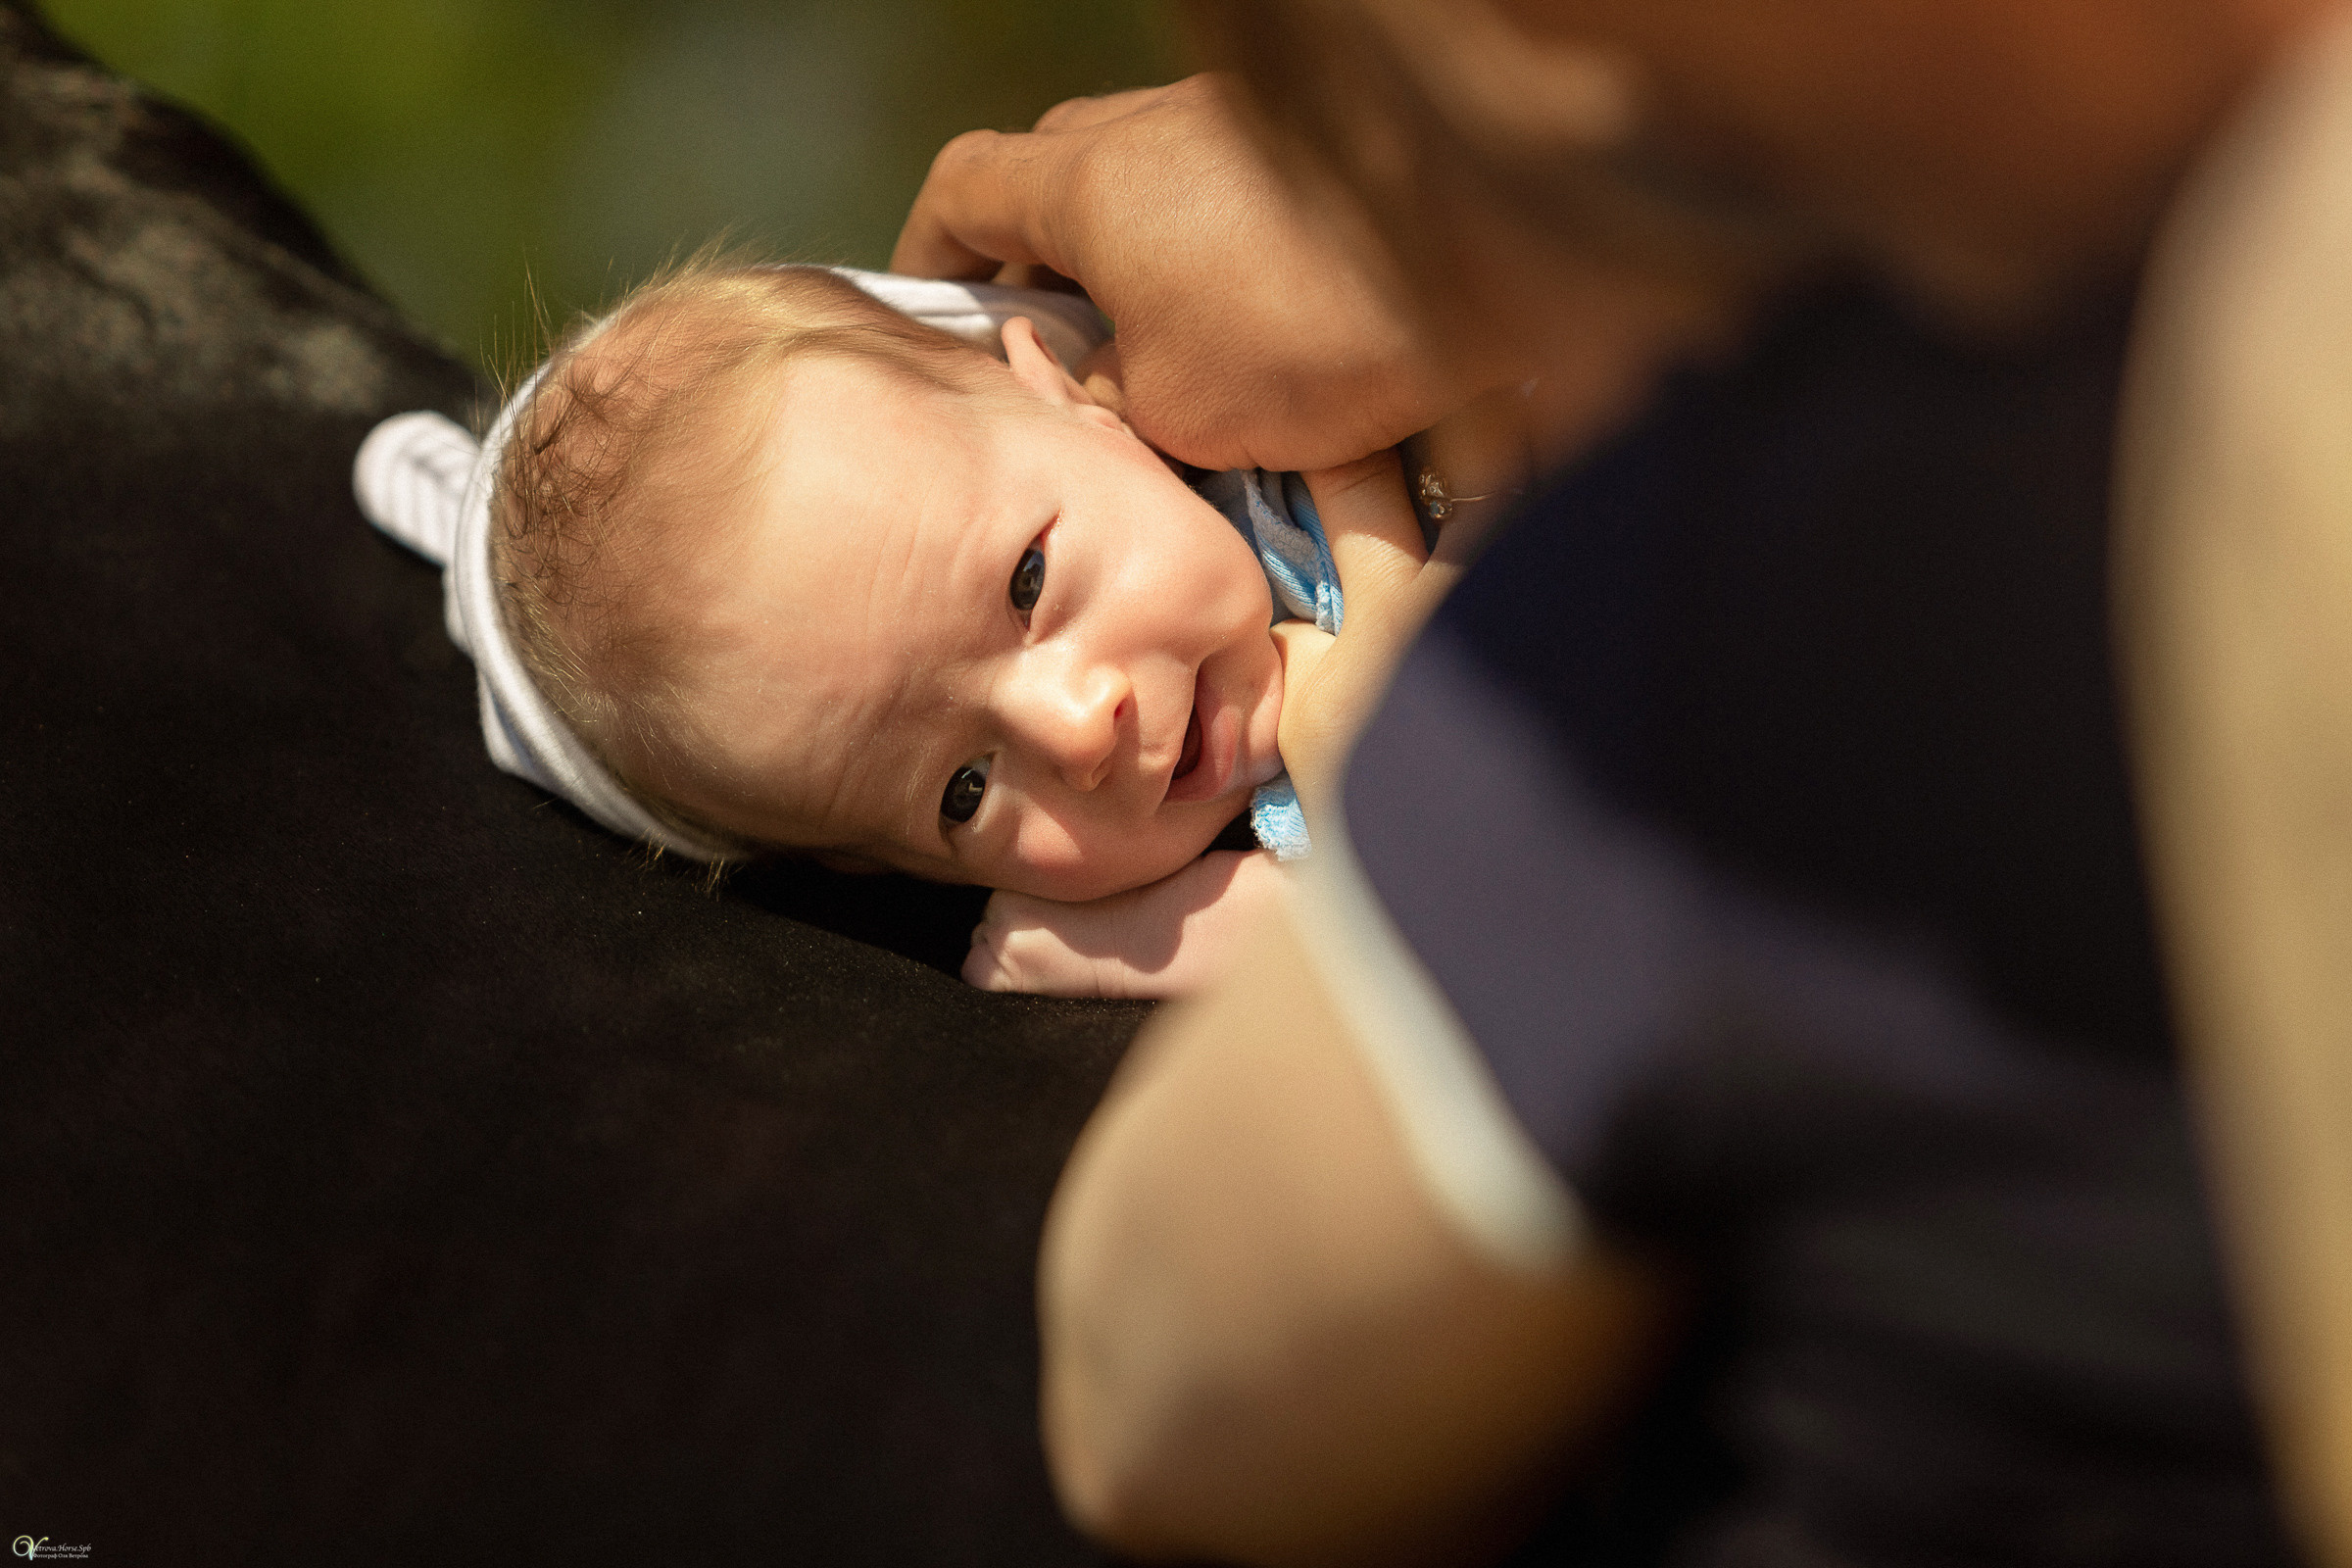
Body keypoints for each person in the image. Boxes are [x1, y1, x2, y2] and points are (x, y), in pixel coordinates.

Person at [890, 3, 2352, 1565]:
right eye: (959, 787)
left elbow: (1150, 1383)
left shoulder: (1728, 613)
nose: (1076, 718)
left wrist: (1437, 260)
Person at [352, 258, 1492, 997]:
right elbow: (1452, 943)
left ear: (1061, 392)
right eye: (963, 790)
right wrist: (1155, 935)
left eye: (1029, 582)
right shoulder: (1225, 874)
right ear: (889, 867)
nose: (1077, 726)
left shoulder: (1294, 363)